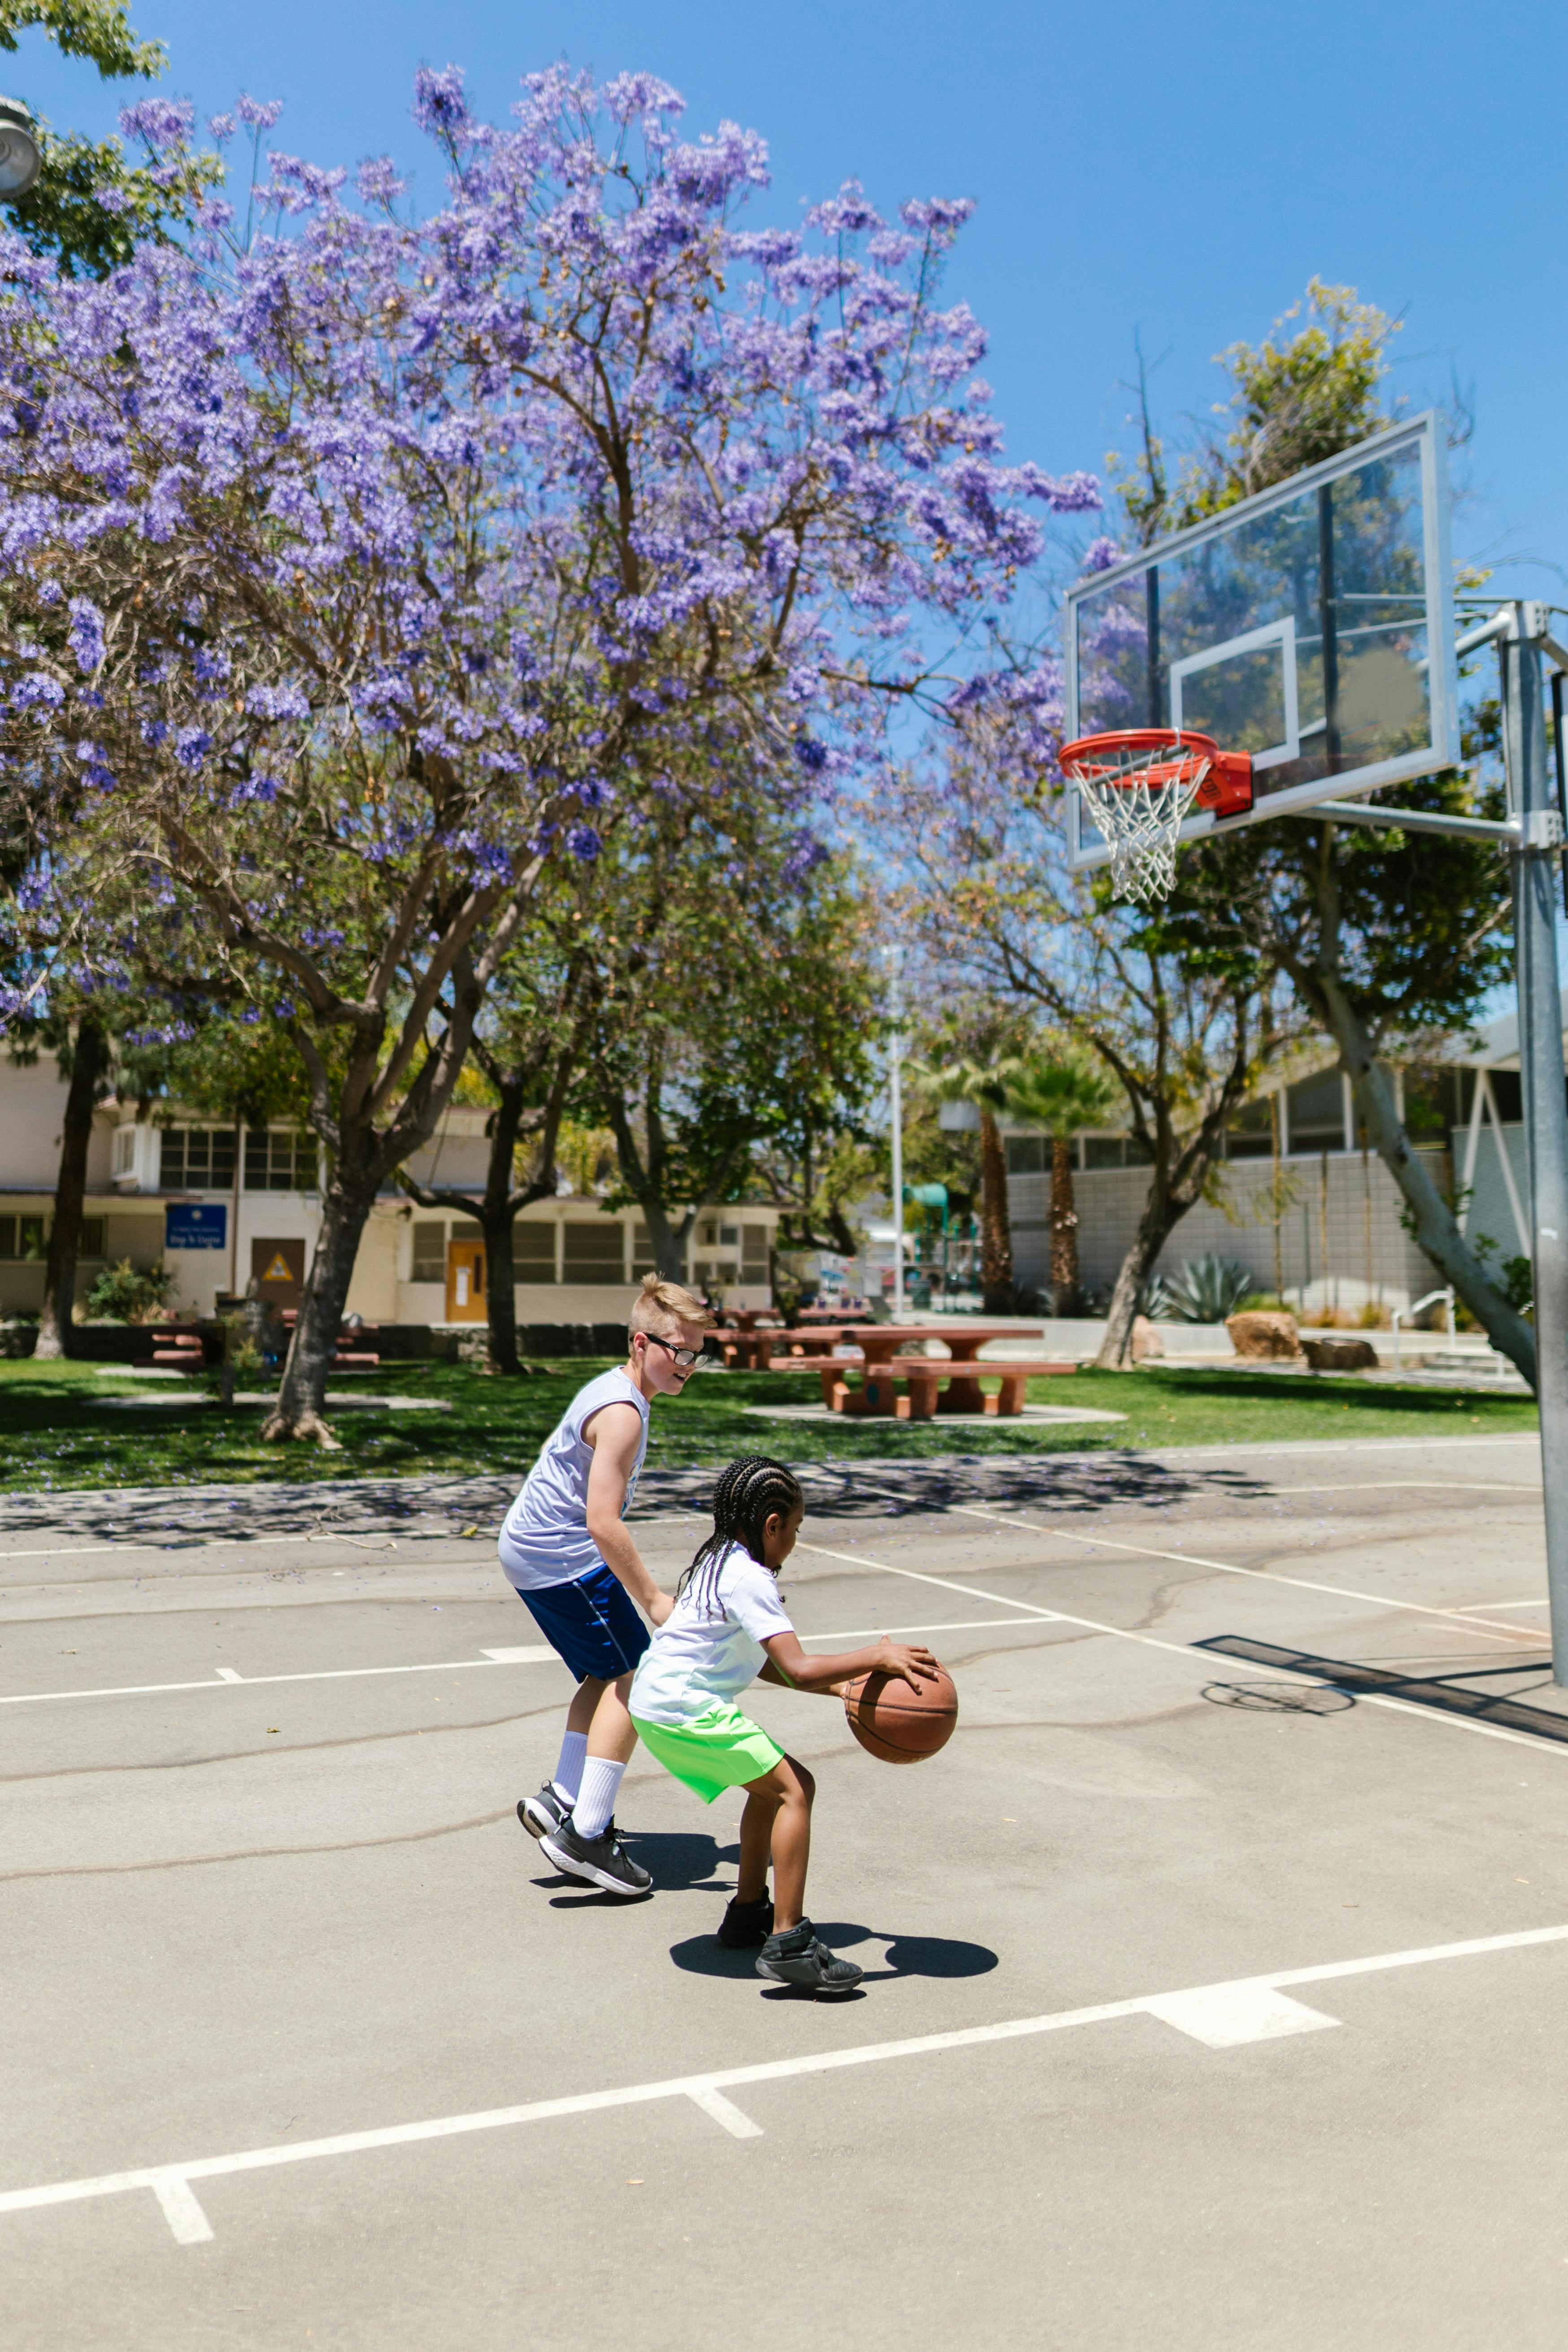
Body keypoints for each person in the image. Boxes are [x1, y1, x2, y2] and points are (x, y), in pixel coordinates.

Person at [629, 1455, 940, 1993]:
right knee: (797, 1790)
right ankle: (789, 1943)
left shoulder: (719, 1558)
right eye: (793, 1530)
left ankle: (749, 1910)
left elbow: (764, 1663)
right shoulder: (751, 1578)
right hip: (685, 1707)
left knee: (770, 1790)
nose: (794, 1541)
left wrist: (842, 1687)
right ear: (771, 1525)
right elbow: (795, 1666)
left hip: (659, 1703)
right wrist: (876, 1657)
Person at [499, 1274, 714, 1897]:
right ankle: (586, 1834)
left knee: (604, 1674)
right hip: (559, 1556)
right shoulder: (622, 1414)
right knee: (639, 1675)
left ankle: (562, 1798)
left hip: (534, 1552)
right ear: (642, 1342)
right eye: (679, 1350)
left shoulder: (617, 1391)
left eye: (698, 1352)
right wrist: (653, 1599)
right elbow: (602, 1522)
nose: (688, 1364)